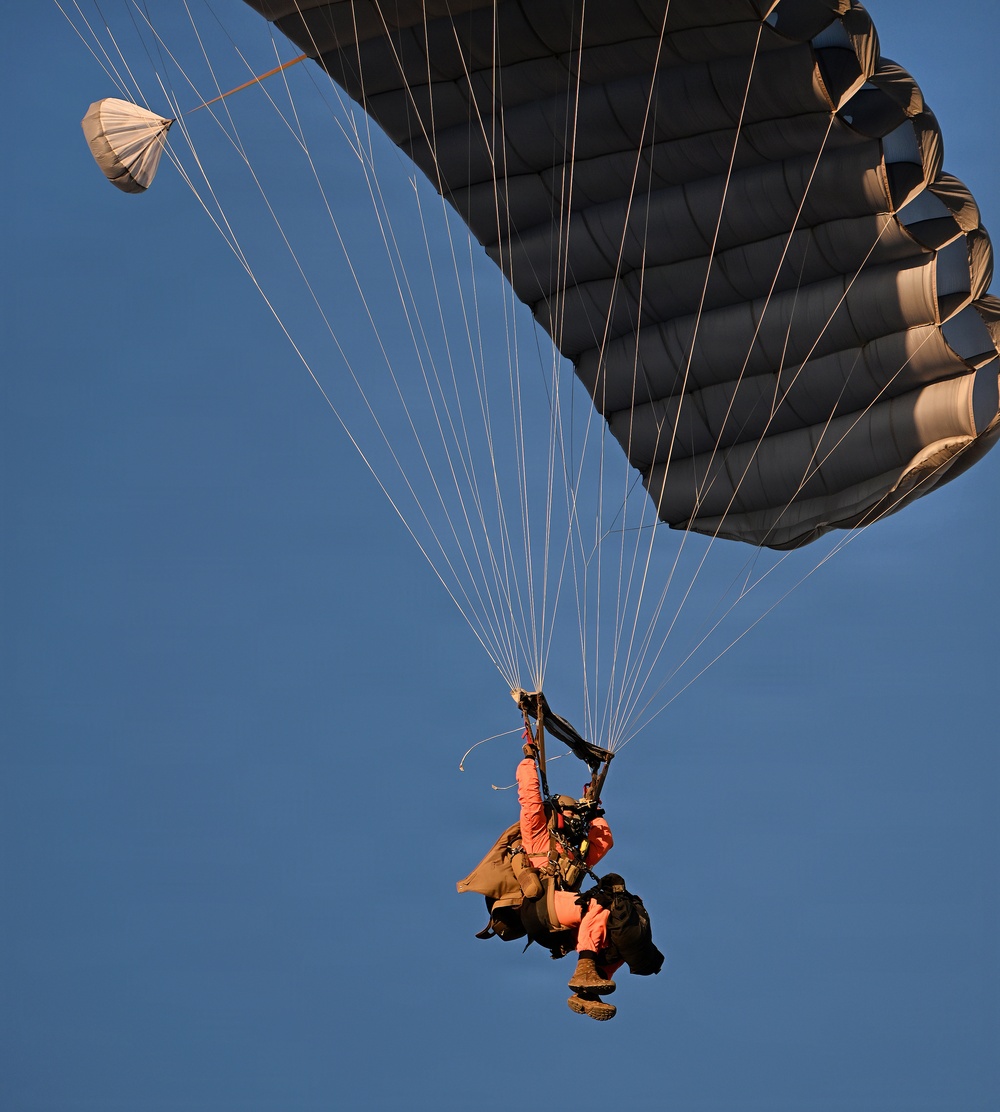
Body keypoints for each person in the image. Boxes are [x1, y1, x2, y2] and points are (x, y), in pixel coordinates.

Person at [458, 742, 628, 1021]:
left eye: (577, 817)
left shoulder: (575, 854)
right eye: (571, 814)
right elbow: (530, 798)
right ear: (557, 816)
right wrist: (528, 760)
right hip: (539, 908)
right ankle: (584, 968)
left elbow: (603, 841)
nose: (575, 820)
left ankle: (590, 990)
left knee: (621, 924)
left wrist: (595, 812)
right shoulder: (537, 836)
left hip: (560, 925)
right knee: (599, 904)